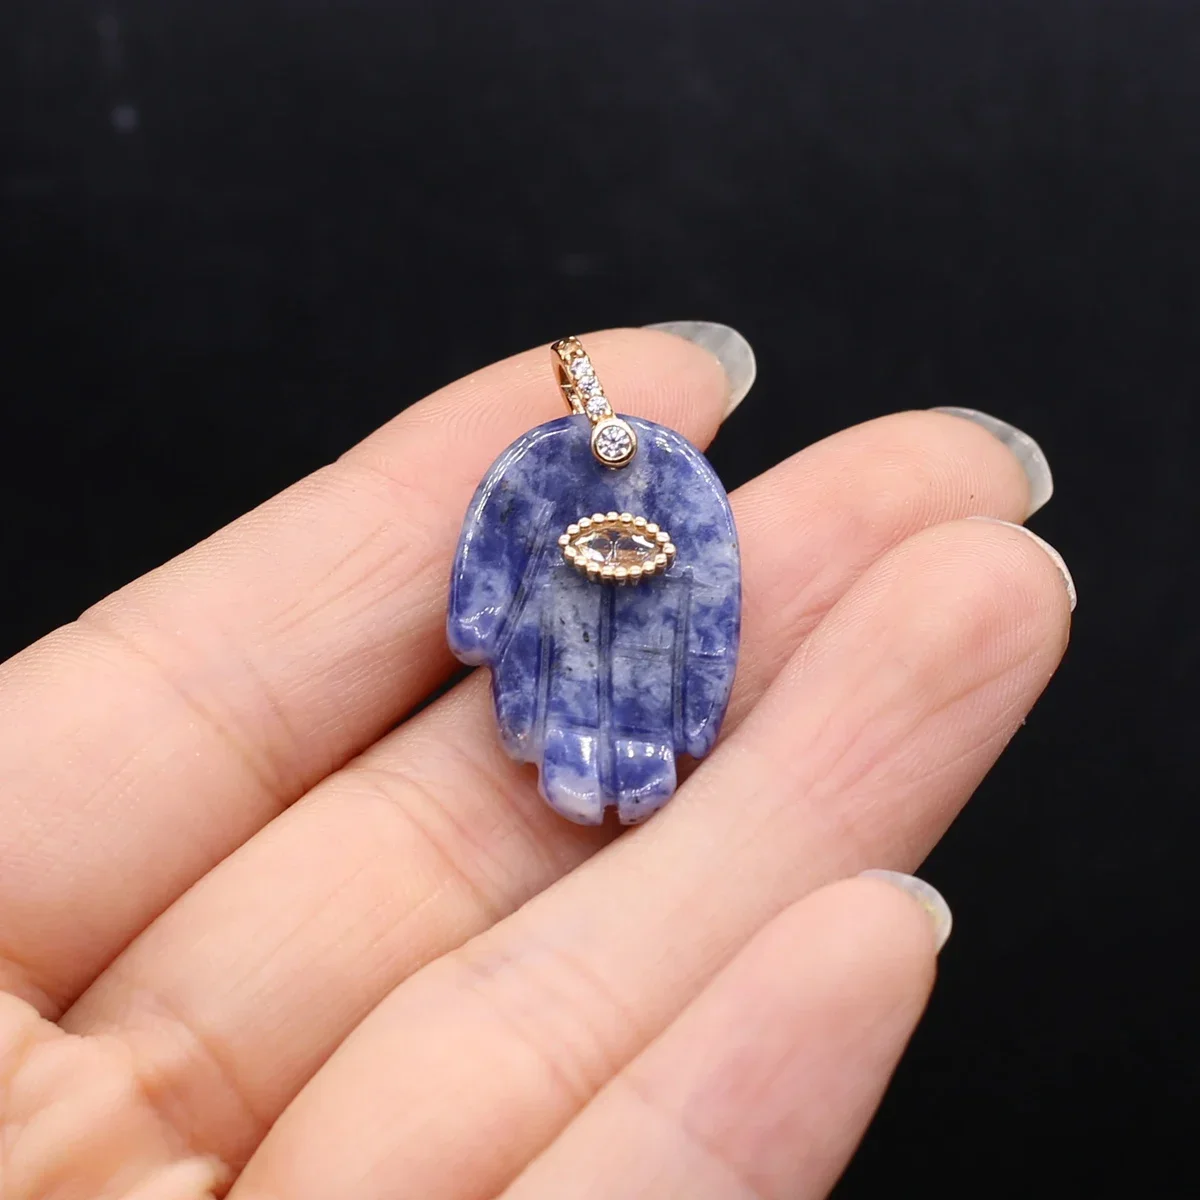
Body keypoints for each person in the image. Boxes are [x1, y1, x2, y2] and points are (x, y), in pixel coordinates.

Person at [0, 323, 1071, 1198]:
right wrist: (494, 601)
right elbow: (478, 615)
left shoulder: (676, 496)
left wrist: (687, 694)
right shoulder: (536, 477)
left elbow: (698, 617)